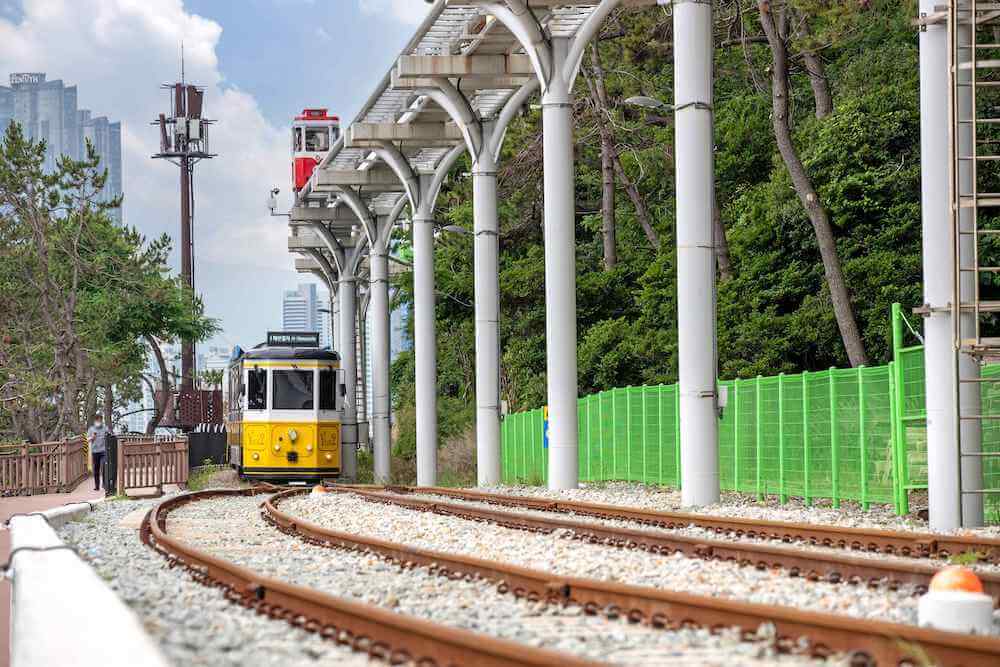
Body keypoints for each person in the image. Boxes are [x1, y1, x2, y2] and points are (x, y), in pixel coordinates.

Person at [87, 414, 109, 492]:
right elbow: (87, 439)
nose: (99, 421)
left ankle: (105, 484)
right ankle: (97, 486)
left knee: (104, 467)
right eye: (97, 420)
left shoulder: (105, 428)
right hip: (95, 451)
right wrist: (92, 437)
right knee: (96, 469)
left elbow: (110, 436)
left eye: (100, 420)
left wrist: (107, 436)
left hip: (103, 450)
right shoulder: (91, 429)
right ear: (95, 421)